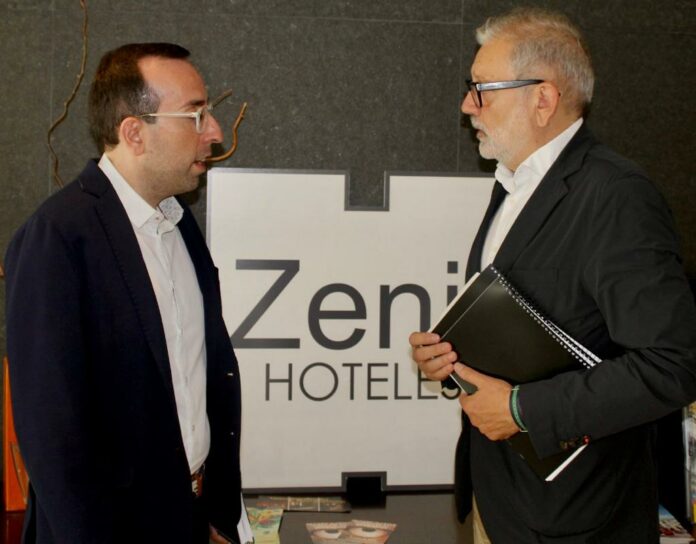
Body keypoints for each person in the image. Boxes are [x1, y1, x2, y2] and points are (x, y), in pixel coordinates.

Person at [409, 8, 696, 543]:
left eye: (481, 90)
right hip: (498, 501)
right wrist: (451, 359)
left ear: (542, 98)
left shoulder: (617, 196)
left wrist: (521, 410)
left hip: (578, 517)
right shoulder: (513, 186)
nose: (467, 105)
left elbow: (671, 366)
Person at [5, 43, 251, 544]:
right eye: (196, 115)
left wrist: (216, 513)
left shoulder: (180, 227)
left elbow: (199, 385)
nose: (215, 132)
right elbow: (52, 436)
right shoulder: (58, 236)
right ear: (134, 132)